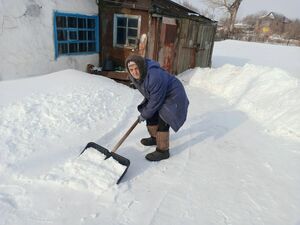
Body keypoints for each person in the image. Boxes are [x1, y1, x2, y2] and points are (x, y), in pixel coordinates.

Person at [125, 54, 189, 162]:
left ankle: (163, 151)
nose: (134, 72)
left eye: (136, 68)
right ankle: (155, 138)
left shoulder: (155, 76)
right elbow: (151, 98)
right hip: (159, 94)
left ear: (141, 66)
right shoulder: (136, 75)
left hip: (173, 96)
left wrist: (143, 115)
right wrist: (146, 113)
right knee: (150, 113)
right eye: (131, 69)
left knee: (164, 117)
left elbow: (155, 101)